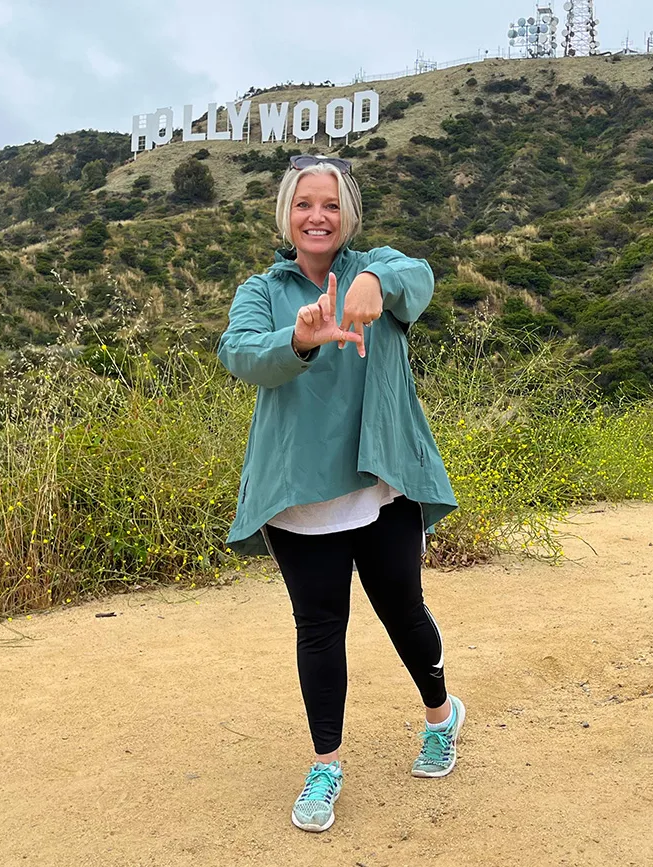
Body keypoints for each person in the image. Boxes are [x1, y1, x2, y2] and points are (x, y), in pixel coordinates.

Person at [217, 154, 463, 833]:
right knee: (320, 630)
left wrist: (377, 280)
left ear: (346, 213)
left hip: (379, 484)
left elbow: (423, 277)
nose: (316, 216)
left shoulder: (375, 266)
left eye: (329, 204)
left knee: (402, 612)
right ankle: (326, 762)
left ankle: (442, 716)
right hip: (298, 494)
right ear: (286, 216)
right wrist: (296, 338)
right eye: (303, 204)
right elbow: (238, 353)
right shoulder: (264, 290)